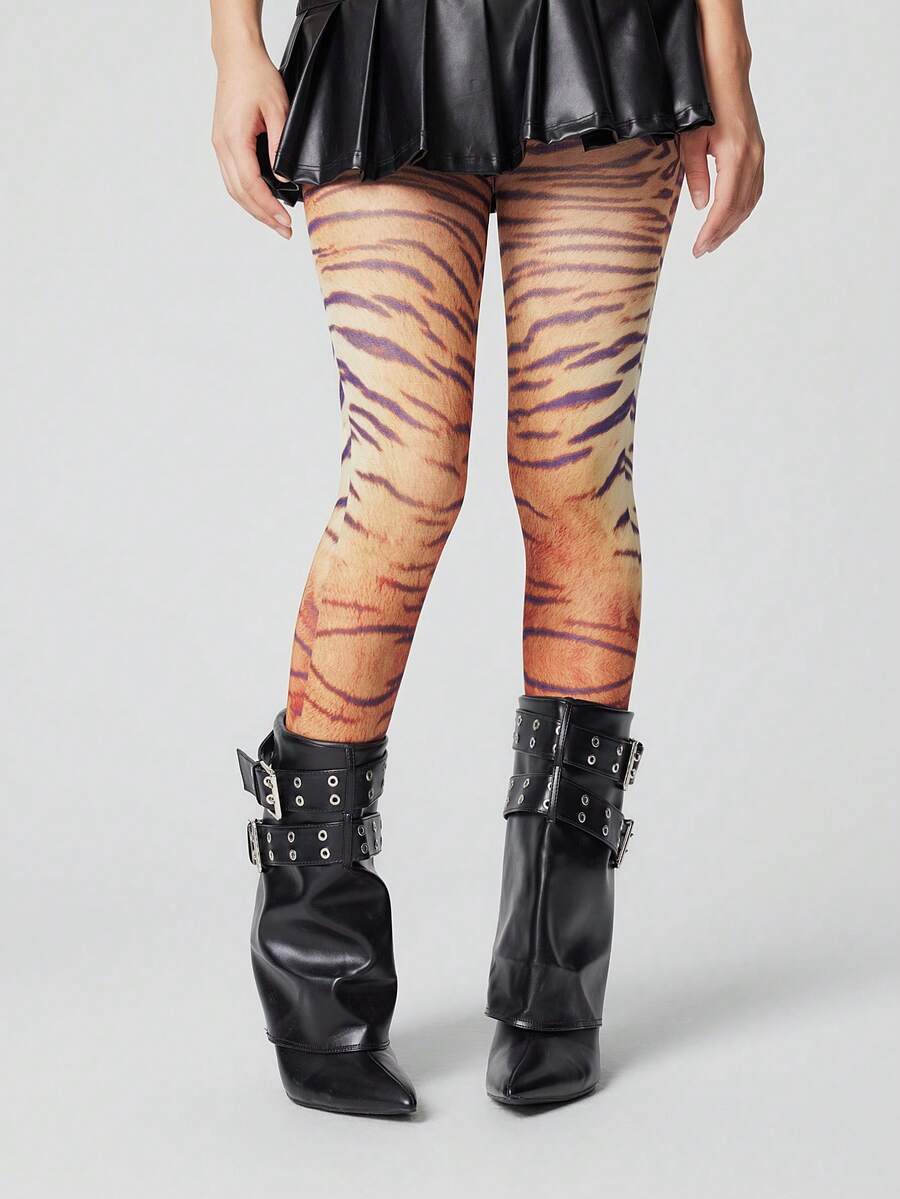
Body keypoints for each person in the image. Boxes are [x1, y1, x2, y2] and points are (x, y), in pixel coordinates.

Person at [212, 0, 764, 1116]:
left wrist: (728, 54)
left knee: (576, 474)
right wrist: (235, 45)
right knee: (404, 475)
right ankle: (315, 957)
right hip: (381, 35)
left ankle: (554, 969)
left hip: (605, 36)